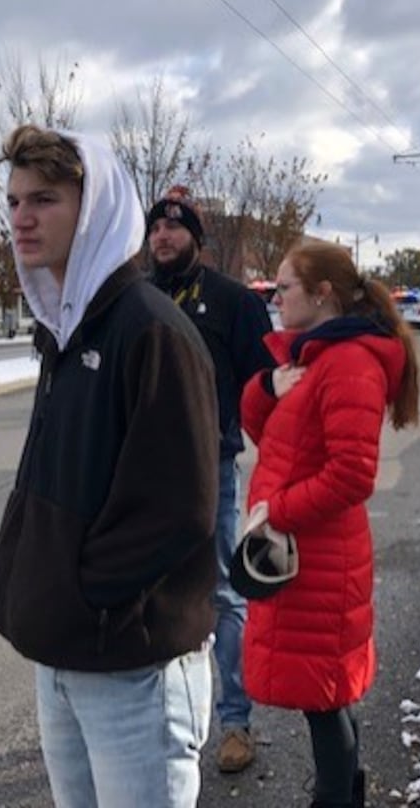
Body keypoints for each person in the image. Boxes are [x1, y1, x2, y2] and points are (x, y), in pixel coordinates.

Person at [0, 125, 220, 808]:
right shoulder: (65, 331)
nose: (22, 217)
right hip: (66, 654)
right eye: (15, 200)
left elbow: (180, 509)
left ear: (96, 210)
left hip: (132, 665)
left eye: (45, 199)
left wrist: (81, 595)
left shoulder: (150, 332)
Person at [239, 240, 420, 808]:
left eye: (284, 288)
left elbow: (352, 475)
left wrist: (279, 513)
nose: (276, 298)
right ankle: (345, 793)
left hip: (317, 555)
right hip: (306, 553)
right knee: (325, 694)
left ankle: (337, 798)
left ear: (321, 294)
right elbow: (269, 435)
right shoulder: (315, 357)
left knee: (323, 699)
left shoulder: (348, 364)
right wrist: (268, 386)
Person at [146, 184, 274, 774]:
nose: (162, 237)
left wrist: (275, 463)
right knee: (154, 595)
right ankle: (164, 721)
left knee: (223, 595)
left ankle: (235, 722)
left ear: (197, 239)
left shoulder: (233, 302)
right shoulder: (137, 300)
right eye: (155, 230)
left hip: (212, 470)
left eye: (174, 229)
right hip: (145, 477)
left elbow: (264, 388)